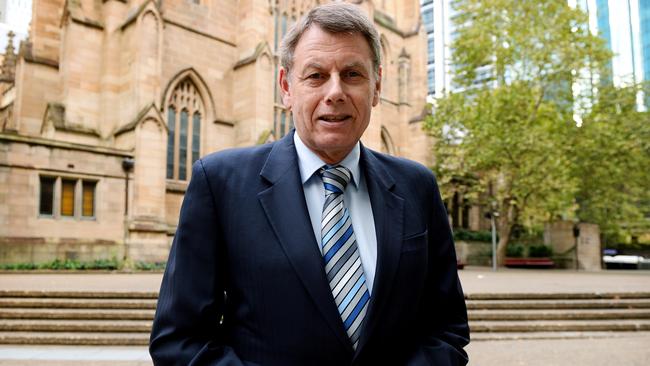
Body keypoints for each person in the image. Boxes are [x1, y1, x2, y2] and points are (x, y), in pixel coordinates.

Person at [149, 3, 469, 365]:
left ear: (377, 86)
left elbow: (446, 328)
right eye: (316, 76)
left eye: (352, 74)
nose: (335, 92)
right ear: (286, 87)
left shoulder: (417, 186)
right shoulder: (220, 183)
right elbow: (179, 341)